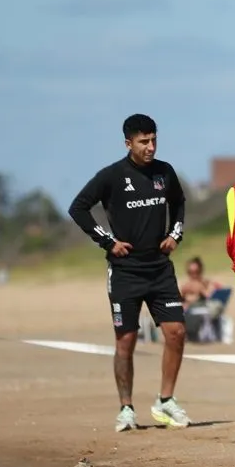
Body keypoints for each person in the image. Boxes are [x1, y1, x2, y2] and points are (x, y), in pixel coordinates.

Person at [68, 114, 191, 431]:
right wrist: (107, 242)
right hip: (126, 272)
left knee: (176, 332)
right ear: (128, 143)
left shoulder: (165, 172)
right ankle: (126, 408)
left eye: (154, 140)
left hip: (160, 268)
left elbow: (179, 203)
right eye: (143, 142)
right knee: (126, 340)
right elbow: (78, 208)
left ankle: (165, 401)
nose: (150, 147)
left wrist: (175, 235)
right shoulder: (111, 176)